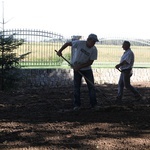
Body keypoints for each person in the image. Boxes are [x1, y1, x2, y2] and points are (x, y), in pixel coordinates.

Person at [57, 34, 99, 110]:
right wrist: (60, 51)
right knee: (76, 87)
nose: (93, 44)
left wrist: (80, 66)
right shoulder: (79, 43)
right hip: (77, 69)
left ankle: (94, 104)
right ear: (88, 40)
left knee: (91, 86)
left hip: (87, 69)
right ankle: (77, 105)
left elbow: (90, 62)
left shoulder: (94, 49)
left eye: (95, 42)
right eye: (93, 41)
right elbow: (67, 43)